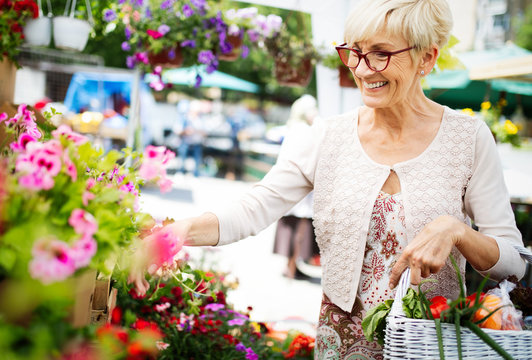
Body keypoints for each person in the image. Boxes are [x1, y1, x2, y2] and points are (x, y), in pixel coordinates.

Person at [131, 0, 527, 358]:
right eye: (354, 52)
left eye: (380, 54)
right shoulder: (327, 136)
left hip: (429, 344)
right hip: (341, 344)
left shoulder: (468, 139)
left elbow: (512, 261)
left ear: (427, 58)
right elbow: (254, 208)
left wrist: (456, 230)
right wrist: (175, 233)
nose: (361, 68)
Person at [273, 95, 319, 279]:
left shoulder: (293, 128)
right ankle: (291, 265)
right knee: (300, 226)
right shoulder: (303, 130)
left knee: (294, 225)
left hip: (291, 184)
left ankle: (292, 265)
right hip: (299, 185)